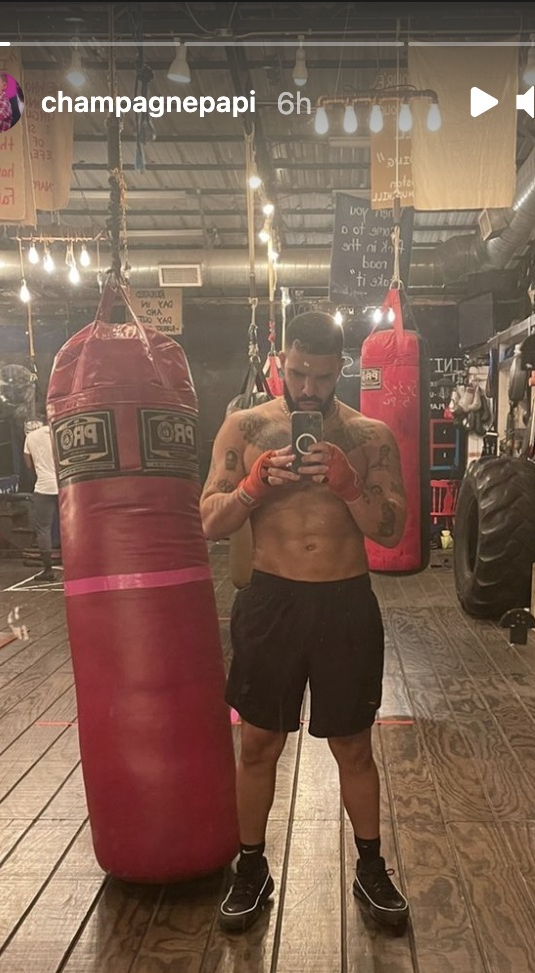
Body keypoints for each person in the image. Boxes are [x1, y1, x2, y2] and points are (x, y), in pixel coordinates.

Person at [200, 311, 409, 934]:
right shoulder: (245, 428)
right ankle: (251, 868)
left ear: (340, 368)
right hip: (272, 601)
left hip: (345, 602)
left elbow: (392, 530)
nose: (308, 389)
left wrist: (349, 485)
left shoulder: (370, 436)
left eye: (320, 376)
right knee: (258, 744)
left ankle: (370, 869)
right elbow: (209, 522)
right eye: (297, 374)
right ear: (281, 363)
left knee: (353, 746)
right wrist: (251, 487)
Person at [23, 416, 58, 582]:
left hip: (43, 487)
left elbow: (28, 465)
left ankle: (48, 570)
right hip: (64, 485)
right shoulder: (58, 432)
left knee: (43, 528)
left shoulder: (30, 437)